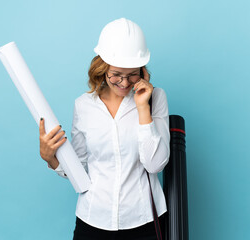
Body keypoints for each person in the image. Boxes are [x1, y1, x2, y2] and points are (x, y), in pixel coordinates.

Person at [39, 18, 170, 240]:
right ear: (102, 68)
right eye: (116, 74)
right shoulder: (83, 105)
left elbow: (155, 164)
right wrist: (50, 159)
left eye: (133, 74)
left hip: (144, 220)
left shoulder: (155, 98)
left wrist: (142, 109)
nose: (125, 82)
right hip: (93, 219)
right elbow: (80, 167)